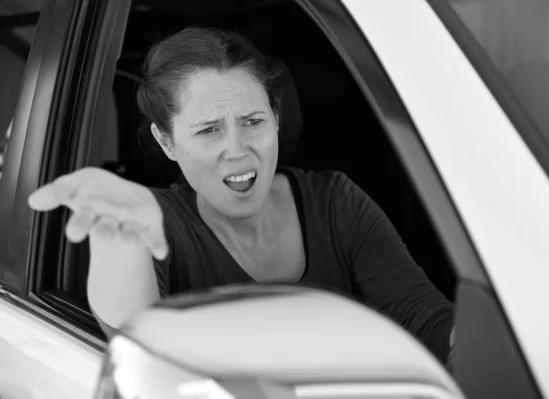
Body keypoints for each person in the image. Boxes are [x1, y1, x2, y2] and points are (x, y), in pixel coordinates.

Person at [28, 27, 456, 363]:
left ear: (276, 118)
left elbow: (425, 319)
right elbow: (138, 348)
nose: (237, 149)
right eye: (209, 130)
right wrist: (117, 242)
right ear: (167, 143)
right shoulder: (153, 225)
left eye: (252, 121)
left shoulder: (336, 202)